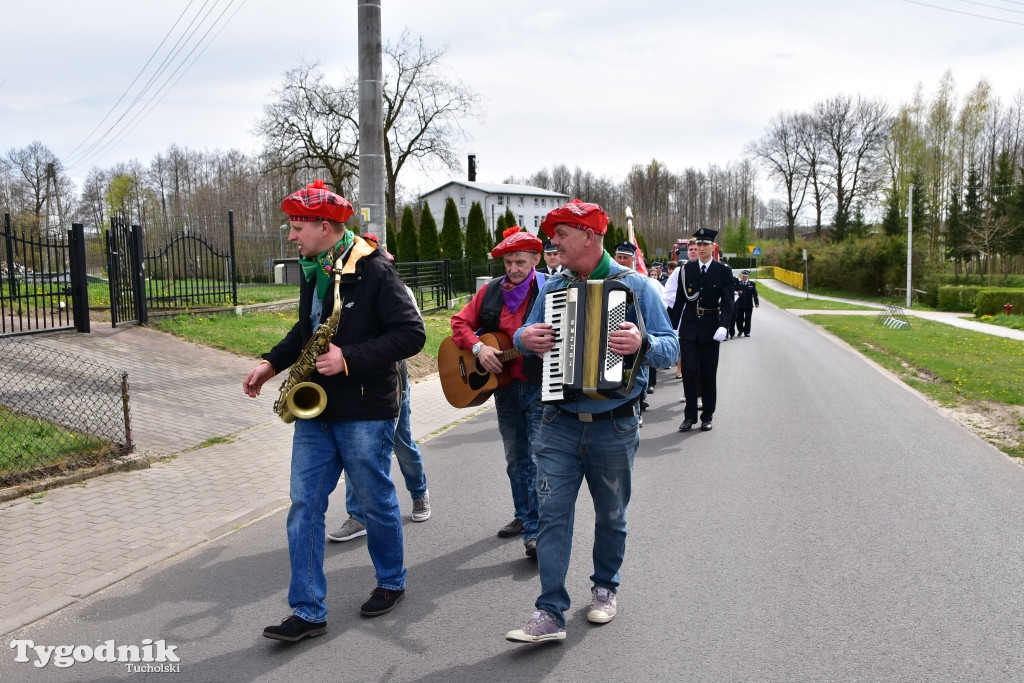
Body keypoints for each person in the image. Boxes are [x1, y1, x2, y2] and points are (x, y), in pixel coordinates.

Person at [243, 180, 425, 642]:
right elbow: (306, 332)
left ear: (325, 227)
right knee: (304, 504)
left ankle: (391, 581)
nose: (290, 236)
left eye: (297, 226)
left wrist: (350, 357)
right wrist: (270, 363)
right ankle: (307, 610)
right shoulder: (315, 270)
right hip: (317, 411)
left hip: (366, 408)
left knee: (375, 501)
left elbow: (412, 334)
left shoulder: (376, 269)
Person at [505, 200, 678, 644]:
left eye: (561, 234)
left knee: (611, 514)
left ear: (590, 237)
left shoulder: (637, 287)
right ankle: (549, 612)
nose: (553, 242)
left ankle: (605, 587)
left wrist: (641, 343)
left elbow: (671, 350)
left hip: (615, 422)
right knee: (551, 516)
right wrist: (528, 338)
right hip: (558, 419)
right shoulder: (554, 287)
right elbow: (524, 335)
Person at [450, 226, 546, 557]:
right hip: (504, 389)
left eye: (520, 262)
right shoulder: (490, 291)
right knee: (514, 458)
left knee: (535, 458)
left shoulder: (550, 291)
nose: (513, 270)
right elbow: (458, 324)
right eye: (508, 262)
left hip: (538, 385)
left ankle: (536, 532)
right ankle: (523, 515)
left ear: (536, 258)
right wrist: (478, 349)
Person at [328, 234, 431, 543]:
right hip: (354, 374)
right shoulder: (345, 283)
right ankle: (357, 515)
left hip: (391, 374)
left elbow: (409, 334)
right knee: (355, 448)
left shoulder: (397, 287)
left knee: (401, 441)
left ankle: (419, 492)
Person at [665, 227, 734, 432]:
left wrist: (724, 325)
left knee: (708, 373)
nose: (702, 248)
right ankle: (689, 416)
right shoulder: (686, 270)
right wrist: (670, 328)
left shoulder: (723, 271)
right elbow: (679, 302)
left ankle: (707, 415)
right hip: (689, 326)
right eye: (699, 245)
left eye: (706, 244)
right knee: (689, 371)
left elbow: (729, 303)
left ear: (712, 247)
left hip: (711, 326)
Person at [734, 269, 759, 337]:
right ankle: (740, 330)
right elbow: (735, 292)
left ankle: (746, 332)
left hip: (748, 305)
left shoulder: (752, 284)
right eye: (742, 276)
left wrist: (756, 302)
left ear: (747, 276)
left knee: (748, 319)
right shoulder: (738, 283)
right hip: (739, 304)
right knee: (739, 319)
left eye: (744, 276)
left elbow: (755, 294)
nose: (743, 277)